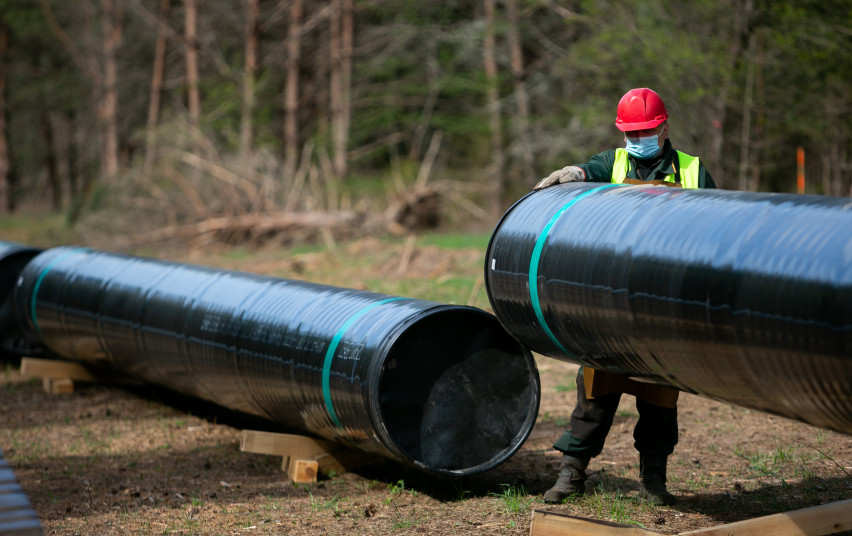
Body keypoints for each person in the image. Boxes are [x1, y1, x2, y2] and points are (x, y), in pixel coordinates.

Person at [534, 87, 716, 506]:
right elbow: (587, 171)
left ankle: (653, 479)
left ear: (664, 127)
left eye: (646, 131)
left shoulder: (691, 170)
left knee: (659, 398)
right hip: (611, 303)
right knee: (595, 394)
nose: (638, 140)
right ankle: (571, 474)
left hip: (662, 305)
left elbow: (712, 226)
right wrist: (573, 174)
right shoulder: (612, 162)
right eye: (630, 133)